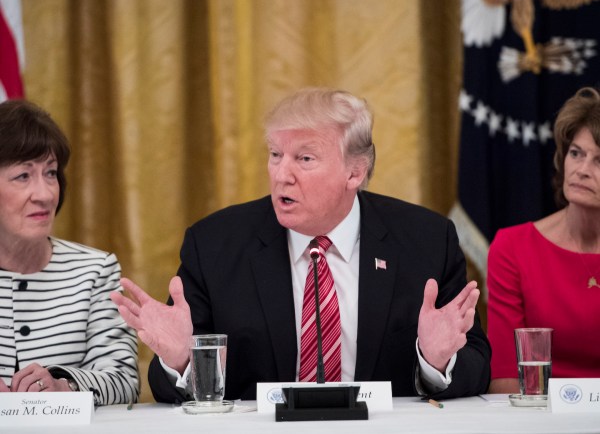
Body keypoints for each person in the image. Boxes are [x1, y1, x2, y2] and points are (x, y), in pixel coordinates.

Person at [112, 88, 491, 402]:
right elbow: (168, 387)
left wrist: (435, 362)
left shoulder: (425, 240)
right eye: (275, 155)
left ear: (355, 172)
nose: (281, 175)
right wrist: (181, 361)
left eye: (304, 158)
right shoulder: (214, 245)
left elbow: (477, 364)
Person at [0, 99, 139, 405]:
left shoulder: (94, 270)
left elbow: (124, 380)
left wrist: (66, 388)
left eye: (50, 173)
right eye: (24, 176)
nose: (45, 194)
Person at [487, 87, 600, 394]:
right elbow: (506, 380)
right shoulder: (512, 248)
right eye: (576, 154)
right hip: (539, 418)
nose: (582, 170)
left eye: (598, 161)